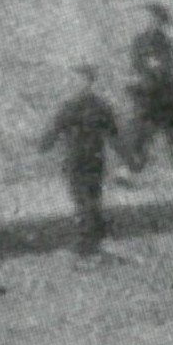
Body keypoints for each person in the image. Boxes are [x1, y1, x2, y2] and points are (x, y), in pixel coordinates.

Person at [42, 64, 123, 260]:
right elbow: (114, 134)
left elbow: (53, 133)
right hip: (89, 159)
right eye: (74, 80)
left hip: (80, 160)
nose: (75, 84)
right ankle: (94, 240)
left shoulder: (73, 106)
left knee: (83, 199)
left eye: (79, 79)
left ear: (89, 82)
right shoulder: (100, 106)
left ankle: (88, 243)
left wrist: (44, 144)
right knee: (90, 199)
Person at [118, 2, 173, 176]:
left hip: (164, 95)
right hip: (146, 95)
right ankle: (130, 171)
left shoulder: (164, 42)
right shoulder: (138, 41)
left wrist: (149, 73)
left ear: (157, 20)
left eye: (150, 17)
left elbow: (165, 68)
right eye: (145, 17)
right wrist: (136, 80)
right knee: (140, 133)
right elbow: (137, 66)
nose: (146, 21)